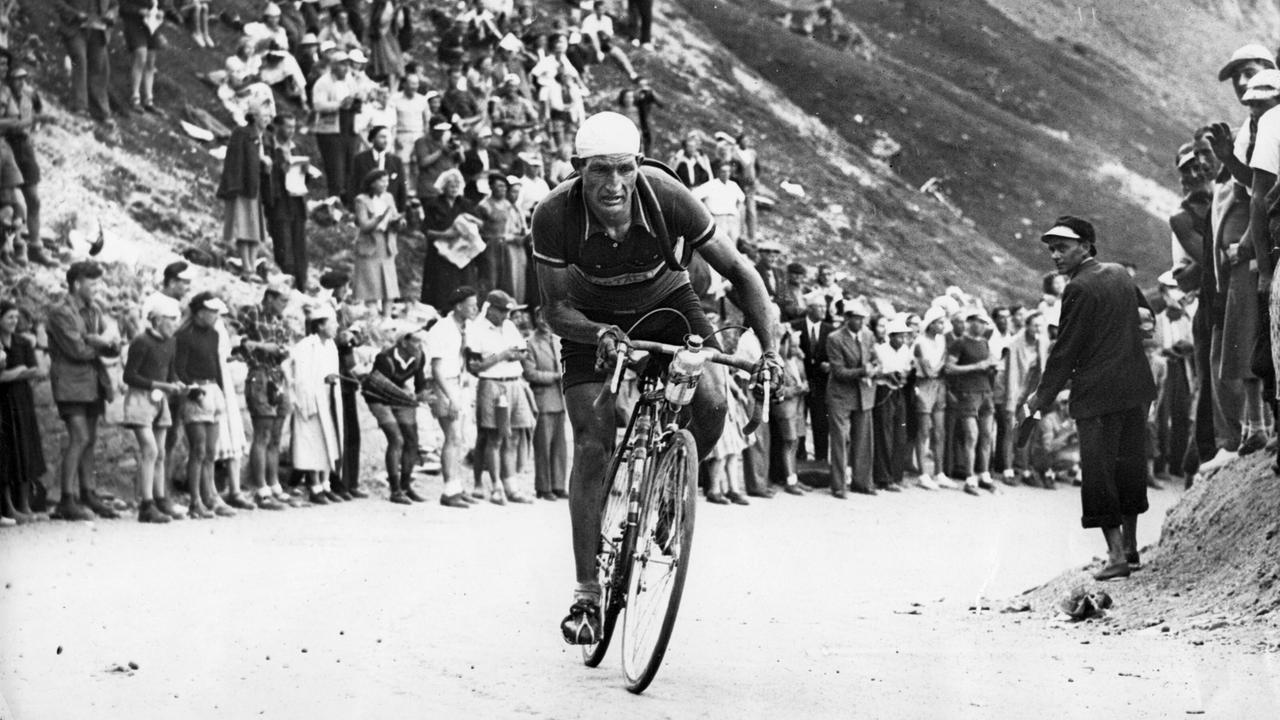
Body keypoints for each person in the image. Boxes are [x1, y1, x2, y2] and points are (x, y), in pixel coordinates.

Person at [532, 112, 782, 643]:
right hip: (588, 316)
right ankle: (586, 595)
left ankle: (669, 488)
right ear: (578, 170)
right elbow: (553, 310)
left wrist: (772, 351)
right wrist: (597, 332)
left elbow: (741, 273)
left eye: (624, 169)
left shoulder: (668, 195)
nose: (613, 184)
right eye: (600, 171)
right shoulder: (553, 214)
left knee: (712, 401)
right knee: (594, 442)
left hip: (666, 300)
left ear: (639, 165)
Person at [1025, 216, 1157, 581]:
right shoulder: (1119, 273)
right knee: (1129, 465)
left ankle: (1115, 556)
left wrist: (1041, 396)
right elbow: (1149, 319)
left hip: (1099, 394)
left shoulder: (1078, 287)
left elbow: (1065, 349)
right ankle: (1130, 550)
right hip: (1135, 388)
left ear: (1086, 246)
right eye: (1052, 248)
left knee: (1099, 472)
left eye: (1062, 247)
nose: (1055, 255)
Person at [47, 261, 120, 520]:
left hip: (93, 382)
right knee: (79, 437)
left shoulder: (94, 309)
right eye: (93, 284)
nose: (97, 289)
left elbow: (114, 345)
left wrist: (97, 341)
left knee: (90, 438)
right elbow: (76, 350)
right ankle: (66, 498)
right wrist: (100, 343)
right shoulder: (61, 312)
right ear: (77, 284)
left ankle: (88, 492)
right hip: (70, 383)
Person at [122, 293, 186, 523]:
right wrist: (162, 385)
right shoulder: (141, 342)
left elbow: (169, 372)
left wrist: (176, 383)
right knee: (150, 450)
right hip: (141, 399)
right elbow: (130, 376)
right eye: (170, 319)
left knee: (160, 452)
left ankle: (160, 498)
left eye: (176, 319)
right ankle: (146, 504)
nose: (175, 324)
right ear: (157, 320)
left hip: (159, 400)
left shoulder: (171, 342)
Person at [467, 290, 536, 504]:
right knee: (494, 437)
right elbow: (475, 366)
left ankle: (510, 485)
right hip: (492, 384)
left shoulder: (508, 326)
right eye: (503, 311)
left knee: (514, 435)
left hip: (514, 382)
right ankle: (495, 486)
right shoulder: (476, 329)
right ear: (490, 308)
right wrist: (502, 356)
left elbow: (523, 352)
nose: (506, 316)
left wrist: (511, 355)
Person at [236, 283, 297, 510]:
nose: (284, 306)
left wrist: (274, 349)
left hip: (277, 375)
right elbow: (239, 343)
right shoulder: (252, 313)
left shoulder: (281, 321)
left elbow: (283, 348)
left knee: (276, 435)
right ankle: (260, 488)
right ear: (270, 298)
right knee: (262, 433)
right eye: (282, 300)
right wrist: (265, 347)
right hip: (259, 374)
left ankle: (274, 484)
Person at [173, 292, 233, 519]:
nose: (216, 315)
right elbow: (180, 367)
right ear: (199, 312)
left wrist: (221, 391)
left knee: (210, 450)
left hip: (212, 390)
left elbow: (216, 364)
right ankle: (195, 499)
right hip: (196, 391)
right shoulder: (185, 336)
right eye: (212, 311)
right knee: (198, 449)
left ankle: (210, 496)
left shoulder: (213, 335)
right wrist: (191, 389)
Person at [421, 286, 481, 508]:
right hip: (444, 385)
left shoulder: (465, 327)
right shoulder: (441, 329)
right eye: (471, 305)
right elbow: (436, 369)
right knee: (452, 436)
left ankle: (457, 486)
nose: (475, 309)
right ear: (458, 306)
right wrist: (450, 397)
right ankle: (449, 489)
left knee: (460, 438)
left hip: (459, 383)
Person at [367, 320, 431, 505]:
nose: (419, 346)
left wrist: (421, 394)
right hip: (379, 398)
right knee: (396, 439)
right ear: (403, 342)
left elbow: (419, 385)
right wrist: (413, 397)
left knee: (412, 440)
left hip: (400, 397)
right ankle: (395, 489)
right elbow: (383, 388)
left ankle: (405, 486)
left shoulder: (419, 356)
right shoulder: (385, 358)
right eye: (416, 341)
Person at [291, 303, 344, 503]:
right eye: (332, 323)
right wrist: (307, 401)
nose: (336, 326)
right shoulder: (306, 346)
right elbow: (302, 377)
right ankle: (313, 485)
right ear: (320, 325)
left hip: (327, 399)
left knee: (326, 440)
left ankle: (325, 483)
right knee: (311, 442)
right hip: (311, 400)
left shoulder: (330, 346)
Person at [825, 297, 877, 498]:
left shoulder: (868, 335)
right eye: (856, 318)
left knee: (863, 440)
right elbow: (838, 371)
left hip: (863, 394)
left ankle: (862, 482)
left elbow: (873, 357)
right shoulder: (835, 338)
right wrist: (864, 371)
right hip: (840, 395)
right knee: (840, 440)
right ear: (847, 318)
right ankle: (839, 485)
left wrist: (875, 367)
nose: (860, 322)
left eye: (862, 318)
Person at [0, 300, 46, 524]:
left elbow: (36, 370)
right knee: (8, 453)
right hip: (3, 402)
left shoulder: (23, 343)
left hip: (21, 400)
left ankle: (24, 505)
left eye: (16, 318)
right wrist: (19, 371)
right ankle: (8, 507)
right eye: (9, 317)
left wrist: (14, 373)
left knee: (25, 449)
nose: (14, 322)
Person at [946, 308, 999, 496]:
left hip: (985, 392)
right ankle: (970, 477)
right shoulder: (960, 343)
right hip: (968, 393)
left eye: (984, 322)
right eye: (979, 322)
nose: (982, 325)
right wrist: (976, 367)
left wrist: (991, 368)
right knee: (972, 436)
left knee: (986, 435)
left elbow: (986, 365)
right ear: (971, 322)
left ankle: (983, 474)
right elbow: (949, 367)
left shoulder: (984, 342)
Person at [263, 113, 316, 291]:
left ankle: (301, 283)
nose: (291, 131)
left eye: (293, 127)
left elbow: (303, 176)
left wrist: (306, 172)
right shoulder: (269, 147)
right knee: (283, 244)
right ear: (276, 127)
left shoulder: (296, 147)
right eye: (287, 127)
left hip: (296, 200)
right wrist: (280, 169)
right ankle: (287, 283)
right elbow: (266, 175)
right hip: (279, 201)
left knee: (299, 246)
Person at [218, 110, 273, 283]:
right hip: (243, 186)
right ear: (254, 117)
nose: (267, 119)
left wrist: (266, 166)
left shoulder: (265, 137)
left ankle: (252, 266)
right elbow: (235, 160)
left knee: (256, 230)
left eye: (269, 117)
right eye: (264, 116)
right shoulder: (241, 133)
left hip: (256, 187)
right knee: (244, 228)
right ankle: (247, 267)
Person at [522, 308, 568, 500]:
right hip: (542, 399)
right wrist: (555, 377)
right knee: (543, 445)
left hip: (560, 399)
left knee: (560, 446)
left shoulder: (558, 341)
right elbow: (530, 373)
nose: (544, 321)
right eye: (540, 317)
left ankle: (558, 485)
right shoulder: (530, 343)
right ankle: (543, 487)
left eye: (547, 316)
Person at [57, 0, 117, 125]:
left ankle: (100, 111)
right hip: (74, 27)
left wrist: (111, 15)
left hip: (98, 29)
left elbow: (114, 4)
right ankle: (79, 106)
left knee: (98, 66)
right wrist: (74, 14)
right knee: (80, 59)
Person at [911, 304, 951, 490]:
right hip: (923, 386)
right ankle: (922, 474)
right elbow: (928, 371)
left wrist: (937, 370)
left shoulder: (941, 340)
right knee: (924, 430)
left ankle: (939, 472)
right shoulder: (920, 342)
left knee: (939, 431)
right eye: (939, 323)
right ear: (931, 324)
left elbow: (942, 364)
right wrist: (937, 370)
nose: (943, 326)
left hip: (938, 387)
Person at [792, 290, 832, 462]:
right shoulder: (795, 326)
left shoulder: (830, 330)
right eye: (820, 306)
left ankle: (821, 461)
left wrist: (830, 366)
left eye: (825, 306)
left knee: (821, 424)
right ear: (809, 309)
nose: (824, 310)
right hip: (800, 383)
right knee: (799, 423)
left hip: (821, 386)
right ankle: (799, 461)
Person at [872, 315, 912, 491]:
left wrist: (902, 376)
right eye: (898, 336)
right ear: (890, 336)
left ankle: (896, 475)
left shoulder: (905, 350)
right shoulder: (880, 350)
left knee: (899, 434)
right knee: (884, 434)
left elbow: (907, 369)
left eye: (904, 336)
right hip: (884, 392)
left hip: (898, 392)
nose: (902, 339)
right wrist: (887, 374)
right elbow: (875, 371)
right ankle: (883, 477)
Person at [120, 0, 171, 112]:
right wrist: (139, 10)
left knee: (150, 61)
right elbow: (123, 5)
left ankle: (149, 99)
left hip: (152, 24)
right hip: (134, 23)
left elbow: (165, 4)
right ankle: (135, 97)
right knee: (141, 56)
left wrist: (162, 11)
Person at [349, 125, 407, 211]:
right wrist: (353, 208)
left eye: (388, 137)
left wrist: (402, 210)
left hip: (390, 209)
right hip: (366, 207)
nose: (386, 141)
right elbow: (353, 184)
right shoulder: (360, 159)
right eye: (382, 137)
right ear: (373, 139)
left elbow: (401, 187)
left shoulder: (396, 161)